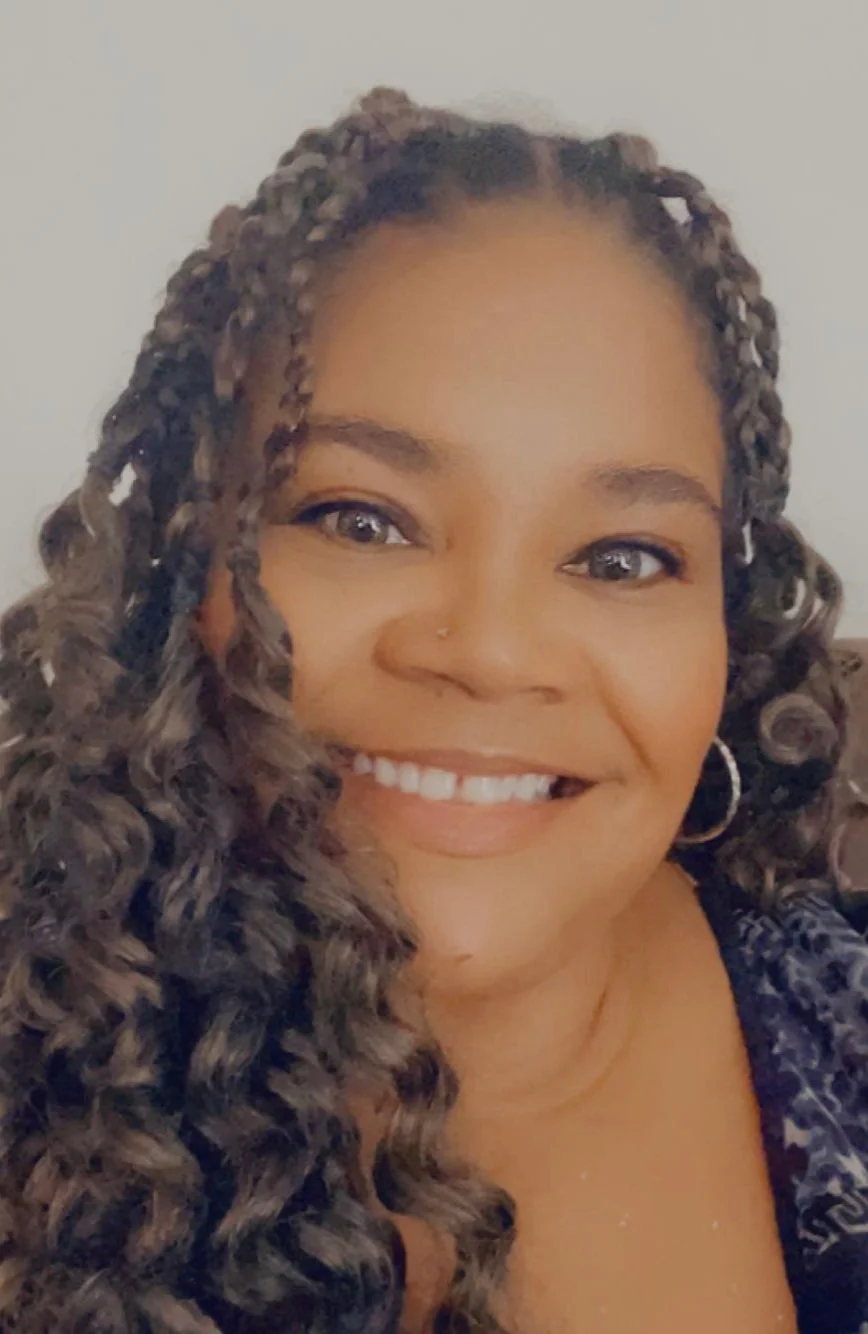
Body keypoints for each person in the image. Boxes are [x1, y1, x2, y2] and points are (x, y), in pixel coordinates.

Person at [0, 86, 864, 1334]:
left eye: (623, 556)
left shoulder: (836, 1013)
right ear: (186, 573)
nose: (495, 652)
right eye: (362, 520)